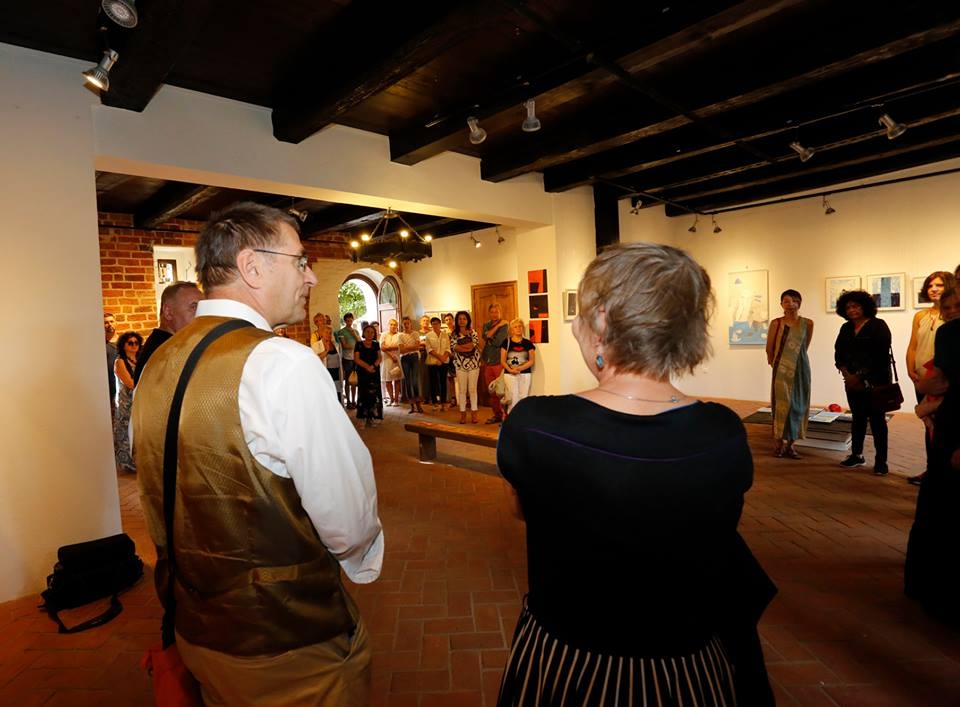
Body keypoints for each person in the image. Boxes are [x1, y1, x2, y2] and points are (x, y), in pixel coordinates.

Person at [496, 243, 776, 707]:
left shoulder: (535, 425)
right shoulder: (723, 432)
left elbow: (523, 509)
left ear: (602, 322)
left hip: (567, 667)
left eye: (581, 312)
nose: (574, 325)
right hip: (686, 670)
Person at [132, 202, 383, 706]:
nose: (311, 276)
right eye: (300, 260)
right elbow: (348, 519)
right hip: (285, 642)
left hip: (196, 630)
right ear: (251, 266)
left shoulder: (158, 362)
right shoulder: (282, 363)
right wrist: (359, 562)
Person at [905, 285, 960, 626]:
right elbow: (934, 376)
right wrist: (922, 386)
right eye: (948, 304)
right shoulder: (943, 329)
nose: (952, 309)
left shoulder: (951, 333)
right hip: (948, 426)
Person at [834, 289, 894, 476]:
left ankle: (881, 461)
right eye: (848, 307)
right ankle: (856, 455)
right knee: (858, 419)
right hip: (852, 382)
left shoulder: (878, 325)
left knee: (877, 421)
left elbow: (880, 356)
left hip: (877, 382)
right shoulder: (845, 328)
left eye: (856, 306)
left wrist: (858, 377)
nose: (852, 310)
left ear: (865, 306)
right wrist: (847, 375)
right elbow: (838, 353)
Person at [904, 271, 956, 485]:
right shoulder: (921, 316)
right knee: (929, 426)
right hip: (922, 380)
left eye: (939, 285)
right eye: (930, 285)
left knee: (945, 426)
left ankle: (944, 471)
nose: (934, 289)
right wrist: (910, 370)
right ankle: (931, 468)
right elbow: (913, 345)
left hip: (943, 381)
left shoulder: (953, 315)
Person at [765, 288, 813, 459]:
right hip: (781, 369)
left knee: (798, 405)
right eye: (786, 301)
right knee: (780, 405)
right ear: (781, 304)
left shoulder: (808, 323)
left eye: (794, 300)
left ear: (799, 303)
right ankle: (778, 443)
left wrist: (795, 362)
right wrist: (776, 364)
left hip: (801, 369)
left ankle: (791, 445)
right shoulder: (776, 323)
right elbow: (769, 348)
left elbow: (805, 346)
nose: (790, 304)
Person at [133, 282, 202, 385]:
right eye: (194, 307)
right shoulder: (166, 352)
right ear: (168, 312)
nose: (201, 314)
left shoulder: (168, 344)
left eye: (202, 308)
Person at [113, 330, 142, 473]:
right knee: (125, 431)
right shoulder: (120, 362)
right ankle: (127, 463)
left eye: (136, 343)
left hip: (138, 400)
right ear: (123, 345)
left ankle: (137, 461)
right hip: (126, 403)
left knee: (137, 431)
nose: (134, 345)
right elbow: (130, 383)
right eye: (130, 343)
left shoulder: (139, 359)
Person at [499, 317, 535, 416]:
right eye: (515, 327)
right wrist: (510, 370)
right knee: (512, 397)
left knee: (523, 397)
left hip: (525, 374)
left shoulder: (528, 343)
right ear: (512, 329)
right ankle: (512, 419)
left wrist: (520, 368)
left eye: (520, 326)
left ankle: (522, 419)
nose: (518, 328)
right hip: (509, 374)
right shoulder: (506, 342)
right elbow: (502, 361)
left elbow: (531, 361)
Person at [480, 303, 509, 424]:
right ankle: (497, 415)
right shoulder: (487, 324)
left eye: (496, 312)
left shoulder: (505, 325)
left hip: (499, 361)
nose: (494, 314)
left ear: (500, 312)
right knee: (491, 391)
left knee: (501, 391)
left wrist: (489, 337)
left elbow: (498, 342)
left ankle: (505, 417)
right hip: (487, 361)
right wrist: (496, 328)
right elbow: (485, 336)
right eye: (492, 312)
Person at [451, 310, 481, 424]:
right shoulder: (454, 334)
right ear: (457, 320)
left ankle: (474, 414)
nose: (462, 321)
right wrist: (466, 347)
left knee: (472, 390)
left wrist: (462, 346)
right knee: (462, 390)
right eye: (460, 319)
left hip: (474, 364)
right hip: (460, 365)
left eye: (464, 318)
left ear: (468, 320)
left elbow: (473, 345)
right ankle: (463, 414)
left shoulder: (473, 332)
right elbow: (455, 347)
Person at [355, 324, 383, 427]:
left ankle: (372, 417)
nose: (370, 334)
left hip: (374, 372)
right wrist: (367, 367)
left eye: (372, 332)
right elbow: (356, 359)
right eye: (367, 332)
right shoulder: (358, 344)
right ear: (363, 333)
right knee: (363, 394)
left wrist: (373, 366)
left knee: (374, 395)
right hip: (363, 372)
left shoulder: (376, 344)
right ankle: (362, 417)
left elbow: (380, 357)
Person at [311, 312, 342, 404]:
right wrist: (326, 351)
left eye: (330, 333)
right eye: (326, 333)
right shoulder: (316, 340)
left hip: (336, 374)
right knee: (327, 397)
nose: (328, 334)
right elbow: (315, 357)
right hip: (325, 373)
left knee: (337, 396)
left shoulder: (335, 343)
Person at [398, 316, 424, 414]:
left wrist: (407, 347)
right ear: (402, 325)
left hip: (414, 357)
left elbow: (417, 347)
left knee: (415, 381)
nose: (406, 325)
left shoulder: (415, 333)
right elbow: (401, 350)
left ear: (410, 324)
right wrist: (411, 347)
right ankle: (412, 405)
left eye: (408, 323)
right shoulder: (400, 335)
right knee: (408, 381)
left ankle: (418, 404)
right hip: (405, 358)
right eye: (404, 323)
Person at [425, 316, 450, 411]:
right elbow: (429, 349)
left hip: (444, 361)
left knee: (443, 382)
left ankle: (443, 402)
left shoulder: (445, 335)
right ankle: (435, 403)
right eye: (433, 324)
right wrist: (439, 357)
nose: (435, 325)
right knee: (433, 383)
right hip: (433, 362)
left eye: (437, 323)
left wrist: (443, 358)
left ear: (440, 324)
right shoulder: (428, 335)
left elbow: (448, 348)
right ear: (431, 325)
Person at [338, 313, 360, 409]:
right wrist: (356, 346)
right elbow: (345, 346)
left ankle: (354, 400)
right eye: (347, 321)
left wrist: (353, 334)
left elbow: (360, 342)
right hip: (347, 358)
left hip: (356, 358)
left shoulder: (355, 331)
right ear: (345, 321)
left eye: (351, 320)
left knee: (354, 381)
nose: (349, 322)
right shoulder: (341, 332)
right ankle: (349, 401)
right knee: (347, 380)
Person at [379, 318, 403, 406]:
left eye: (395, 325)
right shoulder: (383, 335)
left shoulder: (400, 335)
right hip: (386, 359)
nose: (393, 326)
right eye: (391, 324)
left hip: (396, 360)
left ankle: (396, 399)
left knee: (397, 379)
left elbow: (399, 346)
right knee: (387, 380)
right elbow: (382, 347)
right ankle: (391, 399)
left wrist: (388, 347)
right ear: (388, 325)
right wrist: (391, 354)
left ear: (397, 326)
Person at [104, 312, 117, 415]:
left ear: (116, 323)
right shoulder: (100, 343)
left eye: (111, 321)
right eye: (106, 322)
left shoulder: (125, 341)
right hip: (109, 385)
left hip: (124, 384)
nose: (109, 324)